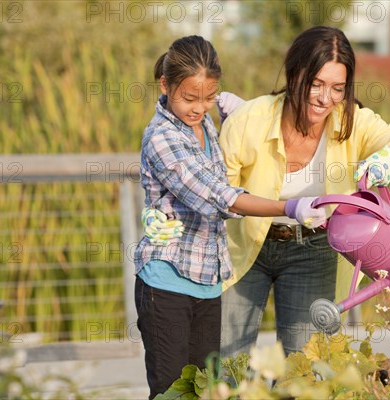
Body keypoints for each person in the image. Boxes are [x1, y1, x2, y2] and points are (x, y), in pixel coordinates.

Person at [144, 26, 390, 360]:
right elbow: (214, 191)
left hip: (314, 251)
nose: (325, 98)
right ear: (295, 74)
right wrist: (164, 210)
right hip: (245, 247)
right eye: (316, 84)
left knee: (306, 365)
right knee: (223, 363)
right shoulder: (251, 120)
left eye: (337, 88)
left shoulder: (352, 122)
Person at [135, 35, 328, 399]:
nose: (199, 107)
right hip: (167, 280)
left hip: (208, 281)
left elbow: (234, 163)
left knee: (208, 388)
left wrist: (242, 119)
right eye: (189, 98)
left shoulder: (206, 125)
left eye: (209, 97)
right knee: (171, 391)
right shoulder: (162, 137)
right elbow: (218, 195)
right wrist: (287, 207)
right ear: (165, 84)